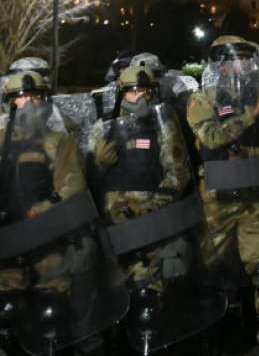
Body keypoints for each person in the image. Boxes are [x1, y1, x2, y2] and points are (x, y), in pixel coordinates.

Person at [90, 65, 225, 354]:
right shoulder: (103, 128)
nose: (140, 98)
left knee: (153, 304)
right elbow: (84, 185)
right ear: (121, 94)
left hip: (154, 227)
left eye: (147, 91)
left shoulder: (164, 125)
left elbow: (177, 176)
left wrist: (145, 210)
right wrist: (97, 164)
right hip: (116, 234)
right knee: (116, 307)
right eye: (134, 91)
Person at [0, 71, 127, 355]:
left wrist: (45, 208)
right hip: (7, 246)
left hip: (48, 241)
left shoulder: (59, 140)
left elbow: (73, 185)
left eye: (37, 97)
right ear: (10, 103)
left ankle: (87, 342)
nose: (30, 103)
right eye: (22, 98)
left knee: (83, 264)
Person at [187, 35, 259, 356]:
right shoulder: (203, 100)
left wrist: (249, 152)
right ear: (221, 63)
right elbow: (211, 136)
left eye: (250, 58)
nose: (247, 64)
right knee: (215, 280)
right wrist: (249, 117)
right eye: (240, 58)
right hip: (216, 203)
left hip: (253, 199)